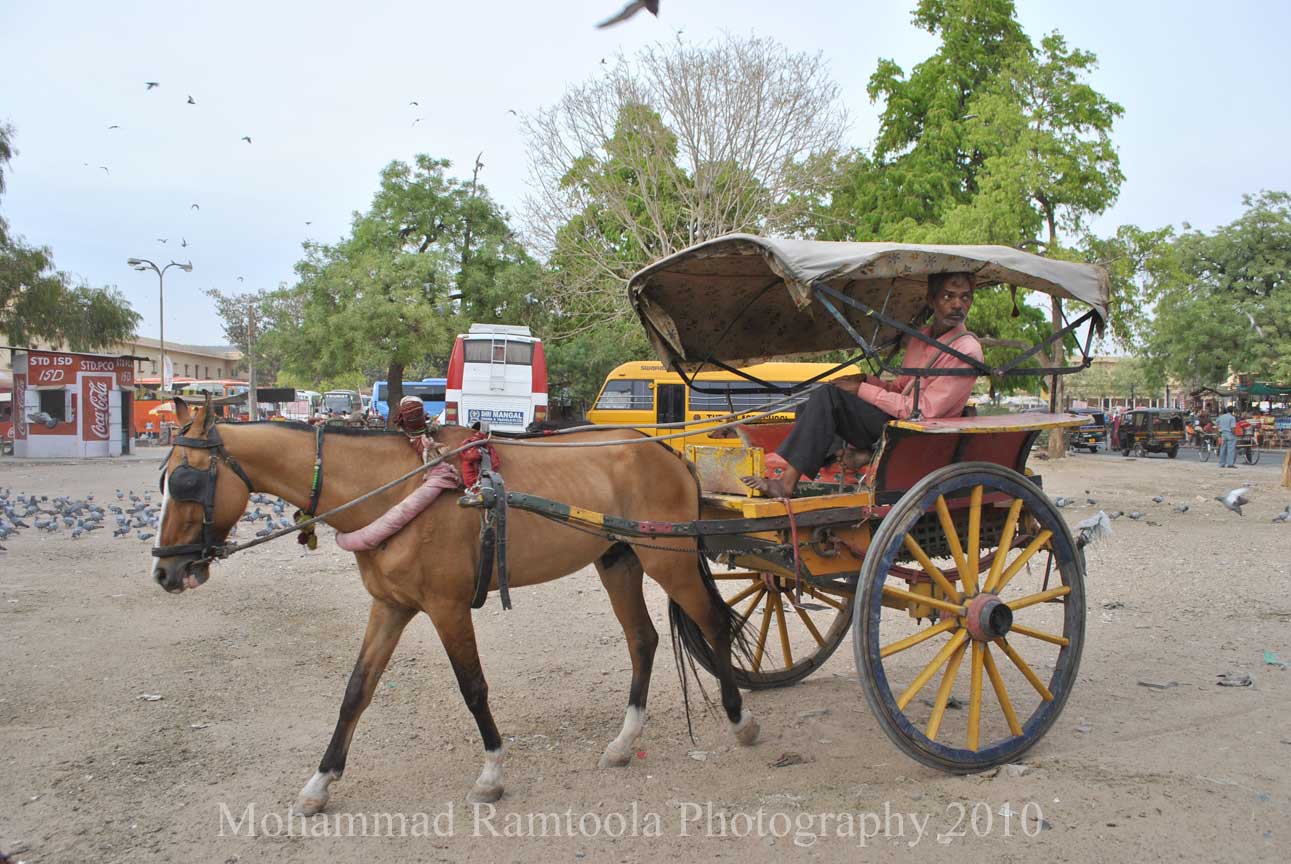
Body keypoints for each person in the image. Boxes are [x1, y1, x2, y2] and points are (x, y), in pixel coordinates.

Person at [742, 272, 983, 498]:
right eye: (948, 296)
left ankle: (786, 484)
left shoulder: (967, 349)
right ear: (932, 300)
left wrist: (863, 391)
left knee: (830, 398)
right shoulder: (920, 339)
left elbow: (924, 412)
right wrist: (865, 381)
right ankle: (859, 455)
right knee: (814, 402)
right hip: (900, 423)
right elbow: (901, 389)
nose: (957, 305)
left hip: (922, 433)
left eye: (965, 297)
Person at [1216, 404, 1238, 468]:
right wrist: (1235, 434)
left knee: (1223, 449)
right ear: (1232, 411)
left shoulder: (1221, 417)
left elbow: (1216, 423)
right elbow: (1233, 428)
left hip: (1223, 434)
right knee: (1231, 450)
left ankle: (1222, 463)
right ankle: (1230, 463)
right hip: (1230, 434)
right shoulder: (1232, 418)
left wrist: (1220, 428)